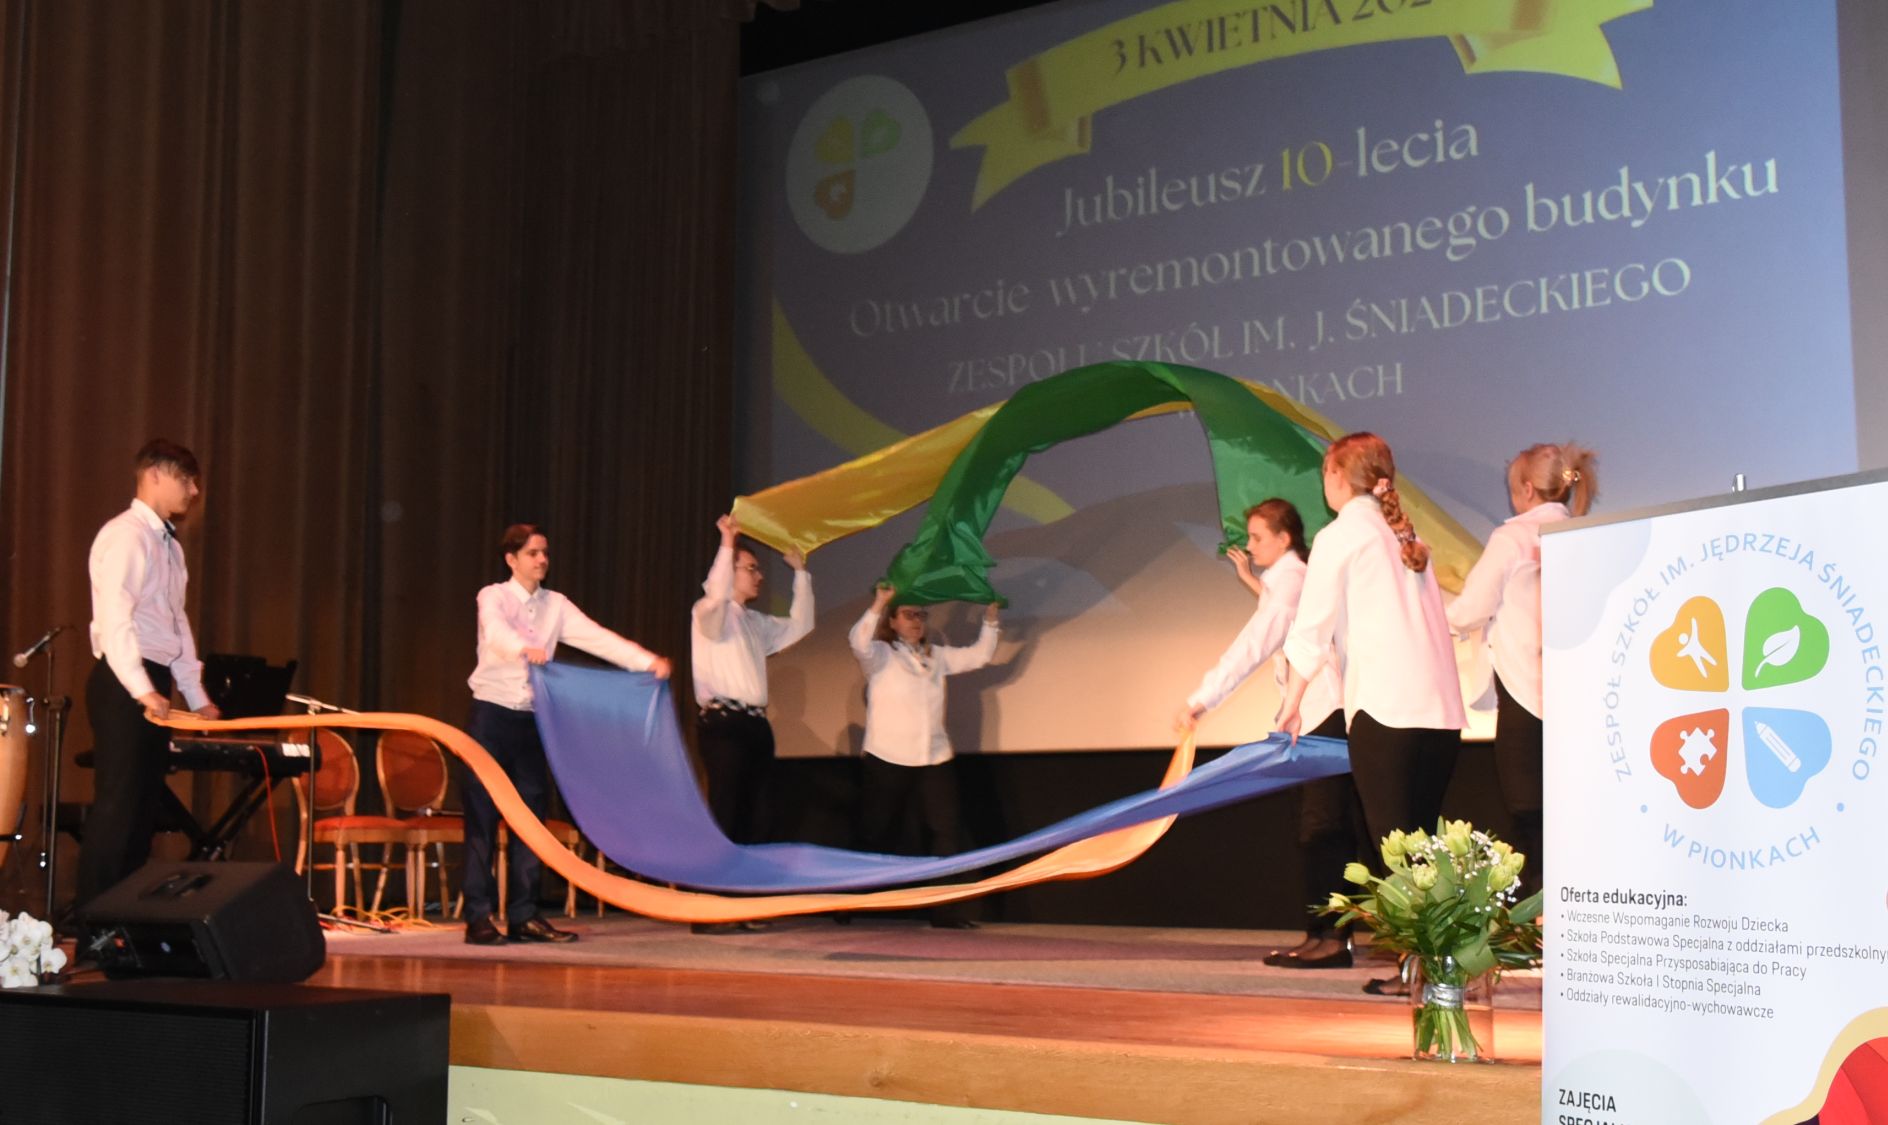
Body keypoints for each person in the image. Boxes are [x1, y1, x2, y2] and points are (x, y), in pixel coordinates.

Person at [1276, 433, 1466, 989]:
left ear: (1338, 475)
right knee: (1423, 847)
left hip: (1386, 710)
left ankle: (1424, 972)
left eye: (1325, 472)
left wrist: (1291, 704)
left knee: (1397, 852)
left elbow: (1310, 629)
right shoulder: (1407, 536)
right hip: (1439, 713)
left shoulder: (1342, 535)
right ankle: (1432, 968)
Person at [463, 523, 672, 945]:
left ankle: (524, 915)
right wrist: (523, 648)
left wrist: (646, 661)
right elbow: (497, 632)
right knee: (482, 820)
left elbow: (597, 638)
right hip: (491, 718)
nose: (542, 559)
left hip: (532, 721)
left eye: (545, 552)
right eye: (532, 553)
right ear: (511, 559)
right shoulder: (494, 596)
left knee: (531, 821)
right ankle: (478, 917)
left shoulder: (555, 604)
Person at [1174, 499, 1358, 969]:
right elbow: (1279, 618)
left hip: (1322, 713)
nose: (1250, 545)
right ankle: (1321, 934)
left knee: (1323, 830)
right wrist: (1254, 582)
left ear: (1284, 538)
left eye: (1257, 537)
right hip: (1313, 716)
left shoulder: (1292, 581)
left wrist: (1202, 698)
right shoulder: (1289, 580)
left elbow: (1253, 644)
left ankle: (1334, 939)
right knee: (1316, 829)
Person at [1446, 442, 1596, 898]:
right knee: (1567, 808)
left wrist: (1428, 611)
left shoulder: (1512, 537)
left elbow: (1471, 608)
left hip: (1525, 690)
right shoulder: (1586, 534)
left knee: (1527, 808)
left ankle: (1543, 913)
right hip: (1577, 693)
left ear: (1527, 489)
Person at [78, 439, 222, 915]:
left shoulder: (170, 546)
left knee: (142, 813)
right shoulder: (126, 535)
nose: (194, 491)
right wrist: (142, 690)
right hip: (124, 680)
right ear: (156, 474)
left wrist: (196, 696)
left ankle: (125, 921)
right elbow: (115, 618)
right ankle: (95, 924)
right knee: (118, 809)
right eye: (186, 479)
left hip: (151, 680)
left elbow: (175, 625)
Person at [850, 584, 1000, 929]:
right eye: (909, 615)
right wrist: (879, 602)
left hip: (933, 756)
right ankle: (847, 900)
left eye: (921, 615)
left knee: (945, 830)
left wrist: (991, 621)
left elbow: (978, 656)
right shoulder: (880, 655)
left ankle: (944, 911)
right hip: (888, 756)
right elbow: (857, 641)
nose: (917, 620)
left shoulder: (936, 656)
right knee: (874, 831)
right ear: (893, 622)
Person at [689, 513, 812, 933]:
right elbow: (715, 593)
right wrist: (727, 543)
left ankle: (746, 903)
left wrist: (801, 575)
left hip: (756, 725)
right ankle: (710, 907)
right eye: (752, 568)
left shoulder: (755, 623)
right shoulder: (709, 614)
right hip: (723, 724)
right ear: (731, 571)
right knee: (725, 811)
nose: (759, 576)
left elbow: (801, 626)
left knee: (758, 816)